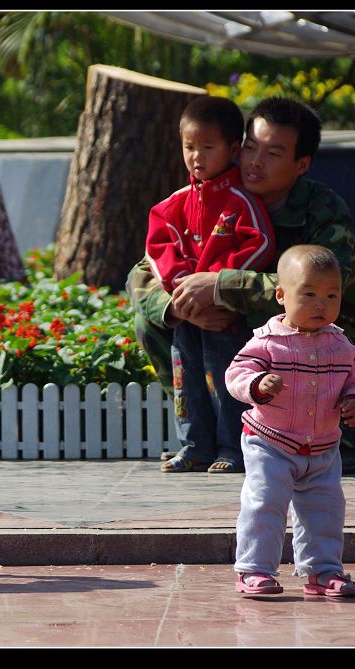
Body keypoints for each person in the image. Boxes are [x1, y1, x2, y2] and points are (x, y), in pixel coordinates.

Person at [127, 96, 355, 475]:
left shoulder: (322, 209)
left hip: (318, 343)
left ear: (301, 165)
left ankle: (306, 440)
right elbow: (142, 269)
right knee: (153, 320)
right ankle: (205, 435)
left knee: (327, 449)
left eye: (272, 153)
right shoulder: (217, 194)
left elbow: (323, 283)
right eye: (251, 147)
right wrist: (184, 306)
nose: (254, 162)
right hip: (241, 337)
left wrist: (221, 286)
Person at [226, 245, 355, 597]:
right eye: (309, 293)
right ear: (281, 295)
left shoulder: (342, 345)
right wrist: (257, 384)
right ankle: (254, 570)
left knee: (325, 509)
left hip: (322, 447)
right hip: (270, 442)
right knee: (265, 502)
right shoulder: (267, 342)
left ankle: (322, 571)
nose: (321, 304)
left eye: (331, 295)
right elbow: (236, 373)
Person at [145, 96, 274, 475]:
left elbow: (260, 242)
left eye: (207, 147)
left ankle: (232, 448)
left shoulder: (241, 201)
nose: (196, 157)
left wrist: (216, 282)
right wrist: (184, 291)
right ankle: (194, 446)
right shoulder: (174, 204)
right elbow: (158, 248)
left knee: (228, 377)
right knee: (186, 381)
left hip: (224, 315)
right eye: (189, 147)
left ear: (233, 149)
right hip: (189, 315)